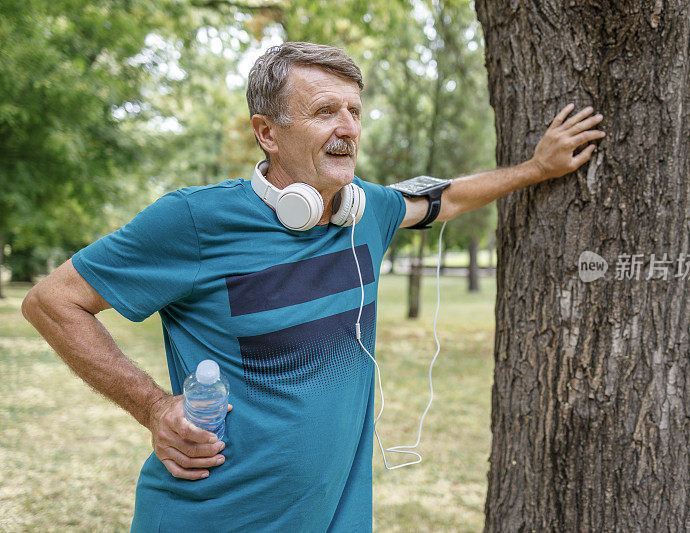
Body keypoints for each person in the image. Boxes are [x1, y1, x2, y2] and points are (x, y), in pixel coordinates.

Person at [21, 41, 604, 531]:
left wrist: (536, 169)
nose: (348, 129)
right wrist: (153, 408)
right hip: (212, 517)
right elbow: (53, 301)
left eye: (354, 111)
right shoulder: (194, 221)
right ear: (267, 133)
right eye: (326, 111)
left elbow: (444, 198)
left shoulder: (364, 212)